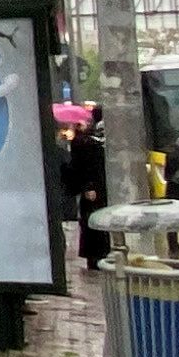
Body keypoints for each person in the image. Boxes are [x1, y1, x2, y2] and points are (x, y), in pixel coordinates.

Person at [67, 102, 110, 268]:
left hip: (100, 187)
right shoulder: (83, 142)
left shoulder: (96, 139)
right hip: (92, 189)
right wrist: (87, 187)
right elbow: (81, 167)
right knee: (92, 221)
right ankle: (94, 257)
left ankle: (102, 254)